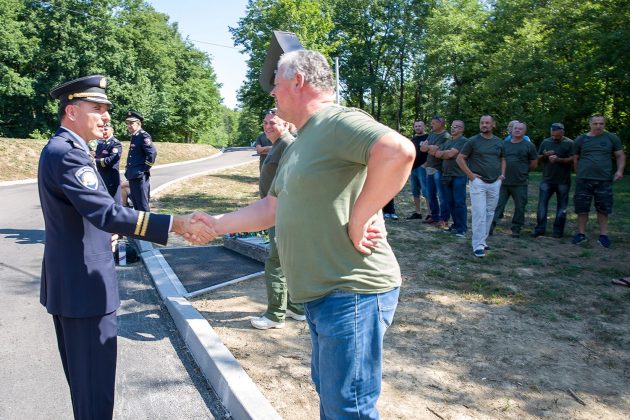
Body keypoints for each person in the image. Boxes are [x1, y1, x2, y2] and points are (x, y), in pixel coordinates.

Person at [193, 48, 414, 418]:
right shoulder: (301, 141)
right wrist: (215, 224)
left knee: (348, 407)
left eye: (276, 84)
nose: (272, 93)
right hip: (323, 294)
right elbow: (271, 208)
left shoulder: (336, 121)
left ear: (297, 81)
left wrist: (360, 217)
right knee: (332, 397)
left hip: (352, 290)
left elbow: (397, 151)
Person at [39, 75, 215, 420]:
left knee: (87, 387)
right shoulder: (68, 153)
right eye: (97, 108)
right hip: (85, 288)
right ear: (72, 112)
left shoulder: (65, 148)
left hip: (74, 284)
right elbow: (106, 213)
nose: (106, 115)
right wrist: (176, 223)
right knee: (94, 388)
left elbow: (85, 214)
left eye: (106, 108)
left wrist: (102, 232)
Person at [250, 108, 305, 330]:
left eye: (273, 123)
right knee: (286, 261)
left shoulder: (287, 144)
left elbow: (293, 181)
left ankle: (275, 315)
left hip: (281, 214)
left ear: (285, 124)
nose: (267, 126)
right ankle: (296, 308)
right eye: (265, 122)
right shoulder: (279, 145)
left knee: (276, 264)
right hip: (276, 212)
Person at [571, 115, 625, 247]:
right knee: (582, 208)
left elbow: (620, 155)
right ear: (590, 124)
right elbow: (575, 158)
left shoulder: (611, 138)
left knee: (603, 209)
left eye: (601, 123)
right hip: (584, 179)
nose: (598, 126)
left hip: (604, 180)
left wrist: (619, 171)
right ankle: (581, 234)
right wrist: (579, 173)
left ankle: (603, 235)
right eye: (595, 123)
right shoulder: (581, 139)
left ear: (604, 124)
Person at [456, 115, 505, 257]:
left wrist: (502, 176)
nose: (484, 125)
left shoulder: (499, 142)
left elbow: (503, 159)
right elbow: (460, 158)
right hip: (478, 183)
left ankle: (483, 241)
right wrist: (471, 175)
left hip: (495, 182)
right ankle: (477, 245)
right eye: (482, 122)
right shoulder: (473, 141)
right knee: (479, 213)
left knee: (490, 213)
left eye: (487, 123)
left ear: (493, 125)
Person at [491, 122, 538, 237]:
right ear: (511, 130)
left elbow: (534, 163)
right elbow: (497, 159)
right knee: (497, 205)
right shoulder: (503, 144)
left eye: (520, 129)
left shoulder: (529, 146)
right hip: (503, 182)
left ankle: (516, 229)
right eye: (515, 128)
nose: (517, 130)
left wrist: (523, 171)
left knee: (520, 207)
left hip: (520, 182)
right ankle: (490, 227)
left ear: (524, 131)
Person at [531, 123, 574, 238]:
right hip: (547, 179)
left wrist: (559, 159)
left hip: (563, 181)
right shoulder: (545, 142)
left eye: (557, 136)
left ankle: (558, 231)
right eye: (553, 135)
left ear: (563, 132)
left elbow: (573, 159)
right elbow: (537, 158)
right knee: (542, 205)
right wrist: (545, 155)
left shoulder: (569, 143)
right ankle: (540, 229)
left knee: (562, 206)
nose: (554, 138)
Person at [434, 120, 468, 236]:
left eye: (457, 127)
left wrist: (445, 153)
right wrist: (446, 153)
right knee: (450, 202)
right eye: (453, 126)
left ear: (462, 129)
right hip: (446, 175)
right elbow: (437, 153)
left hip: (459, 175)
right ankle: (455, 225)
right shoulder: (448, 141)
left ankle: (462, 228)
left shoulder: (463, 141)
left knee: (459, 202)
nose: (453, 128)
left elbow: (450, 154)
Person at [420, 115, 450, 227]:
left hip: (439, 169)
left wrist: (428, 147)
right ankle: (434, 216)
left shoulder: (446, 136)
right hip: (429, 168)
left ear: (441, 124)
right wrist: (429, 147)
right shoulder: (432, 134)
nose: (431, 125)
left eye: (434, 123)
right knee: (431, 194)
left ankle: (444, 219)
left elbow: (436, 150)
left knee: (442, 195)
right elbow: (422, 148)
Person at [124, 111, 156, 211]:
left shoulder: (143, 136)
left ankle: (148, 222)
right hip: (133, 175)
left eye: (131, 123)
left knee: (142, 205)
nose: (129, 126)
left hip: (139, 176)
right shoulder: (135, 136)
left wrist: (144, 169)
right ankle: (140, 222)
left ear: (138, 123)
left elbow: (152, 153)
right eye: (128, 123)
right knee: (136, 205)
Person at [95, 123, 123, 203]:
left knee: (114, 203)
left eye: (106, 129)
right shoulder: (101, 143)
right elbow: (97, 156)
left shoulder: (115, 143)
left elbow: (110, 161)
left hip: (111, 178)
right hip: (101, 176)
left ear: (112, 130)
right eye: (103, 129)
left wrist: (95, 161)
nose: (103, 131)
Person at [407, 119, 429, 219]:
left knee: (426, 191)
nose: (417, 128)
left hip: (423, 168)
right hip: (413, 168)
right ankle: (418, 212)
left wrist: (426, 164)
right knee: (415, 191)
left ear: (424, 127)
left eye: (420, 126)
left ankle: (430, 213)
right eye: (416, 126)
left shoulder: (428, 138)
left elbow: (431, 153)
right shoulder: (413, 139)